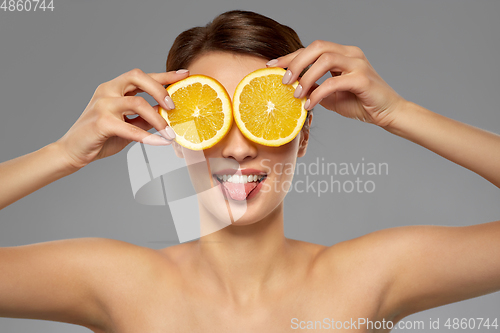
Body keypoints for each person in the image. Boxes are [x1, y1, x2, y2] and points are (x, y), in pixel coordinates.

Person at [0, 9, 499, 332]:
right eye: (212, 119)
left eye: (263, 117)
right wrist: (64, 152)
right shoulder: (117, 282)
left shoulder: (366, 278)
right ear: (176, 138)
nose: (238, 149)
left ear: (301, 137)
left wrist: (399, 113)